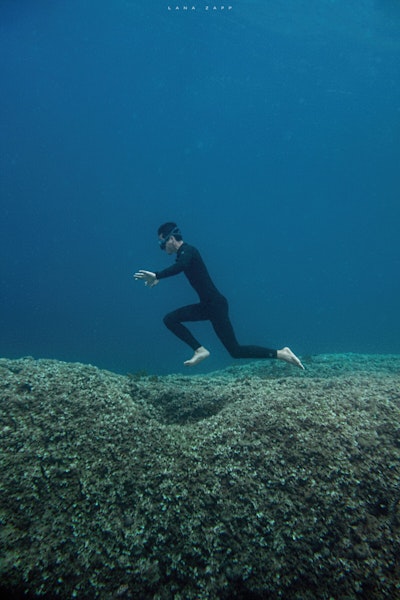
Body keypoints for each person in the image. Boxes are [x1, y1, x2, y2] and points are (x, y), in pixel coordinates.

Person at [134, 222, 304, 370]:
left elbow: (182, 266)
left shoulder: (188, 251)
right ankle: (200, 350)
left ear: (171, 239)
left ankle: (281, 353)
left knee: (235, 350)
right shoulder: (183, 255)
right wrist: (158, 278)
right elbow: (180, 265)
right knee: (171, 320)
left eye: (162, 242)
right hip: (209, 306)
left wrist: (157, 275)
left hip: (215, 305)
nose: (162, 247)